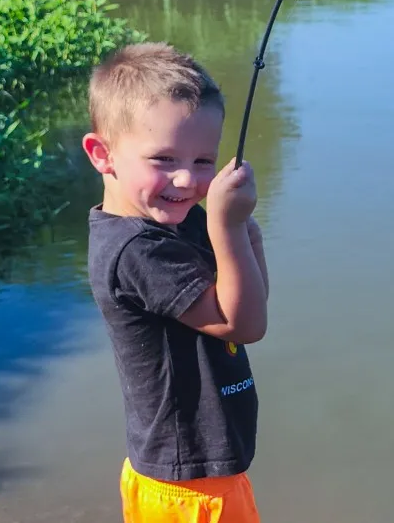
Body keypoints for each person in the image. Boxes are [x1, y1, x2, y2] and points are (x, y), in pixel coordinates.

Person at [82, 42, 269, 523]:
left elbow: (250, 302)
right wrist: (228, 229)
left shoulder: (172, 219)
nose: (186, 179)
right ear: (103, 154)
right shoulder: (138, 250)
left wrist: (246, 239)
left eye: (204, 161)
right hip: (189, 490)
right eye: (163, 159)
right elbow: (241, 323)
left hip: (194, 476)